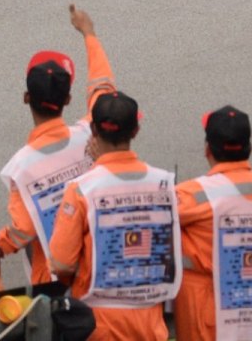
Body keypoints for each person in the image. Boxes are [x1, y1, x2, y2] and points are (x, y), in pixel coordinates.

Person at [0, 3, 118, 284]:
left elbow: (24, 230)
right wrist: (89, 34)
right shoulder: (90, 134)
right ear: (67, 100)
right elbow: (104, 91)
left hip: (56, 282)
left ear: (26, 98)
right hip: (102, 264)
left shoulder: (21, 167)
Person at [50, 91, 180, 341]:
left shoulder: (81, 189)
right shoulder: (164, 184)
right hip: (150, 327)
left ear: (93, 131)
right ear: (135, 131)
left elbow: (61, 263)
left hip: (98, 326)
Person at [173, 106, 252, 341]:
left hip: (211, 313)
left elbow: (155, 214)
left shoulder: (194, 193)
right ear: (249, 148)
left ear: (207, 150)